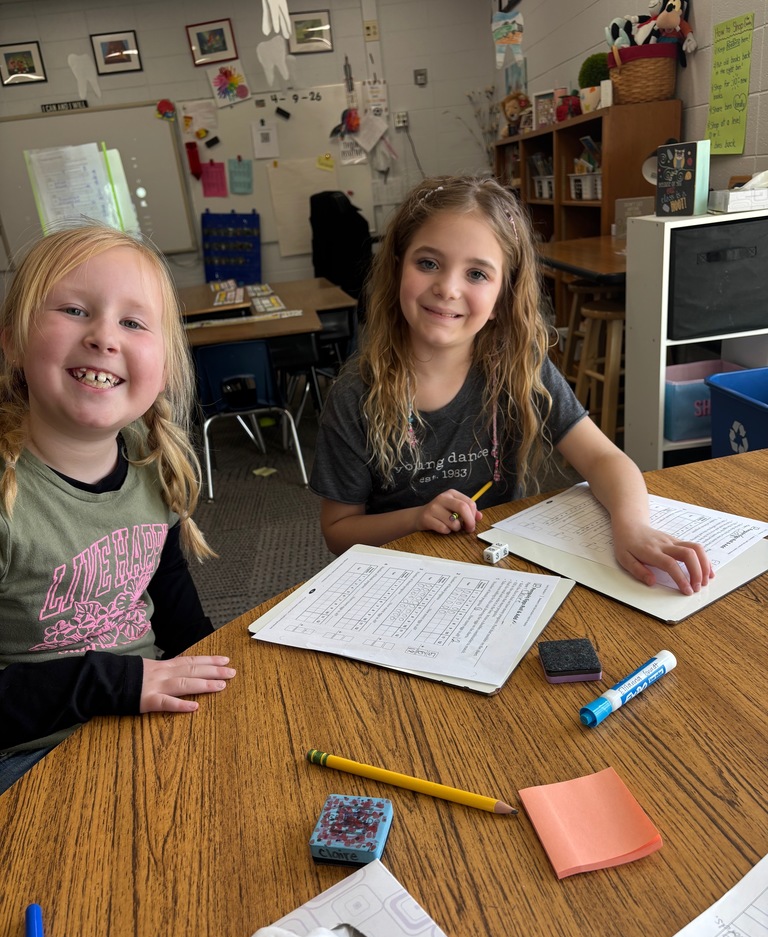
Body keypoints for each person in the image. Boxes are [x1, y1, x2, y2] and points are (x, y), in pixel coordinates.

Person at [310, 174, 713, 595]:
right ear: (396, 269)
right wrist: (414, 517)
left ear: (504, 298)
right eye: (427, 263)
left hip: (500, 572)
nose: (447, 288)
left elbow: (603, 460)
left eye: (477, 274)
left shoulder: (519, 369)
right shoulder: (356, 392)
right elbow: (338, 531)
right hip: (398, 581)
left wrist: (633, 527)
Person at [0, 225, 235, 793]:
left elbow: (180, 617)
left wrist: (225, 682)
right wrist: (109, 682)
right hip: (30, 754)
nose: (105, 337)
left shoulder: (150, 461)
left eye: (132, 323)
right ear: (11, 341)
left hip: (143, 709)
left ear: (165, 364)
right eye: (75, 310)